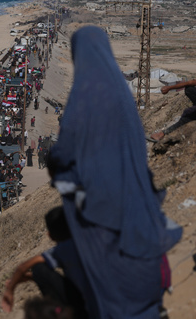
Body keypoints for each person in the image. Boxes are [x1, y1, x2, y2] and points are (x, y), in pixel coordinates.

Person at [46, 26, 181, 318]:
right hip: (134, 193)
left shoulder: (83, 95)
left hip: (99, 203)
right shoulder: (121, 94)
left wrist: (55, 162)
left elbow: (64, 153)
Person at [2, 207, 88, 317]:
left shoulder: (62, 250)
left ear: (50, 236)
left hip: (83, 307)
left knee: (39, 269)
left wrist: (10, 290)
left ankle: (60, 311)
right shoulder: (87, 239)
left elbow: (23, 266)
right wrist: (30, 277)